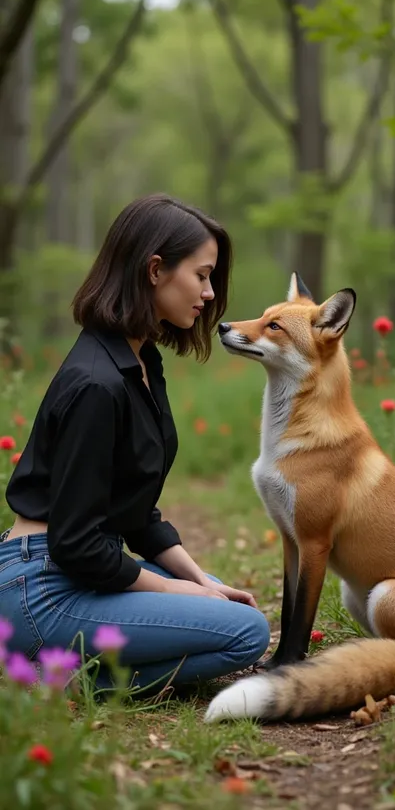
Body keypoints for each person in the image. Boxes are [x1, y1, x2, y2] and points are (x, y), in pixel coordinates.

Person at [0, 193, 270, 697]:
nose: (210, 293)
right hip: (40, 586)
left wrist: (200, 582)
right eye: (202, 275)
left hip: (71, 570)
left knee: (226, 605)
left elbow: (134, 513)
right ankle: (46, 680)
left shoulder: (140, 363)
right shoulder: (97, 384)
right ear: (154, 270)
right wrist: (170, 588)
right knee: (246, 633)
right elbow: (76, 544)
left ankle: (52, 668)